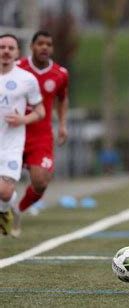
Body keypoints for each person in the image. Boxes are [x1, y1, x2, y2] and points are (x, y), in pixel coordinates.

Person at [11, 31, 69, 237]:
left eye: (49, 44)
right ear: (32, 47)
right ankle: (6, 208)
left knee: (41, 181)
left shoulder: (60, 74)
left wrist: (62, 124)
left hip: (41, 135)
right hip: (13, 132)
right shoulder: (16, 68)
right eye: (40, 44)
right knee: (6, 183)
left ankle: (16, 210)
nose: (45, 47)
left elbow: (62, 99)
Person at [0, 34, 45, 235]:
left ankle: (5, 210)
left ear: (17, 53)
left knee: (5, 191)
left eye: (11, 48)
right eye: (2, 47)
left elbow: (40, 111)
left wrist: (23, 120)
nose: (6, 51)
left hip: (11, 143)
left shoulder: (27, 80)